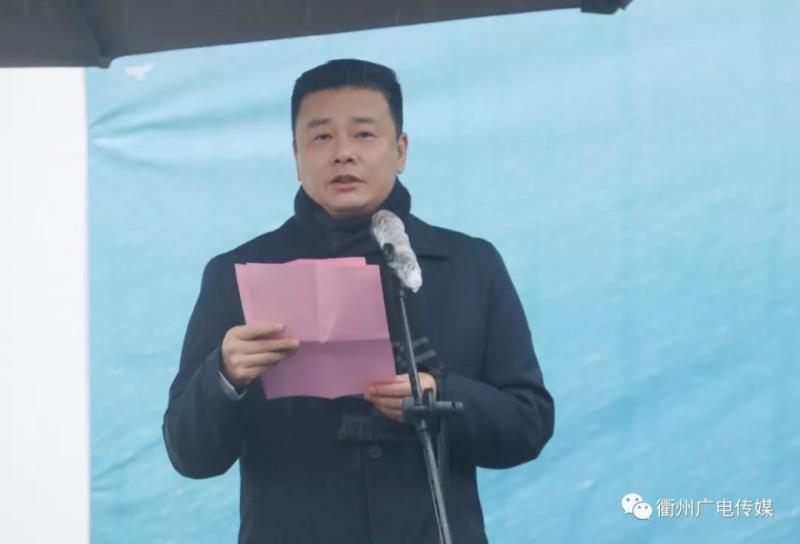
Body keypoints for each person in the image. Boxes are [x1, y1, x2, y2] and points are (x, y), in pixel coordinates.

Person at [162, 58, 554, 544]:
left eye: (364, 134)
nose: (343, 153)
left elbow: (529, 424)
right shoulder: (237, 275)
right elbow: (189, 455)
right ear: (296, 155)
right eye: (321, 137)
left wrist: (442, 397)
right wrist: (223, 376)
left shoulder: (469, 265)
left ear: (400, 150)